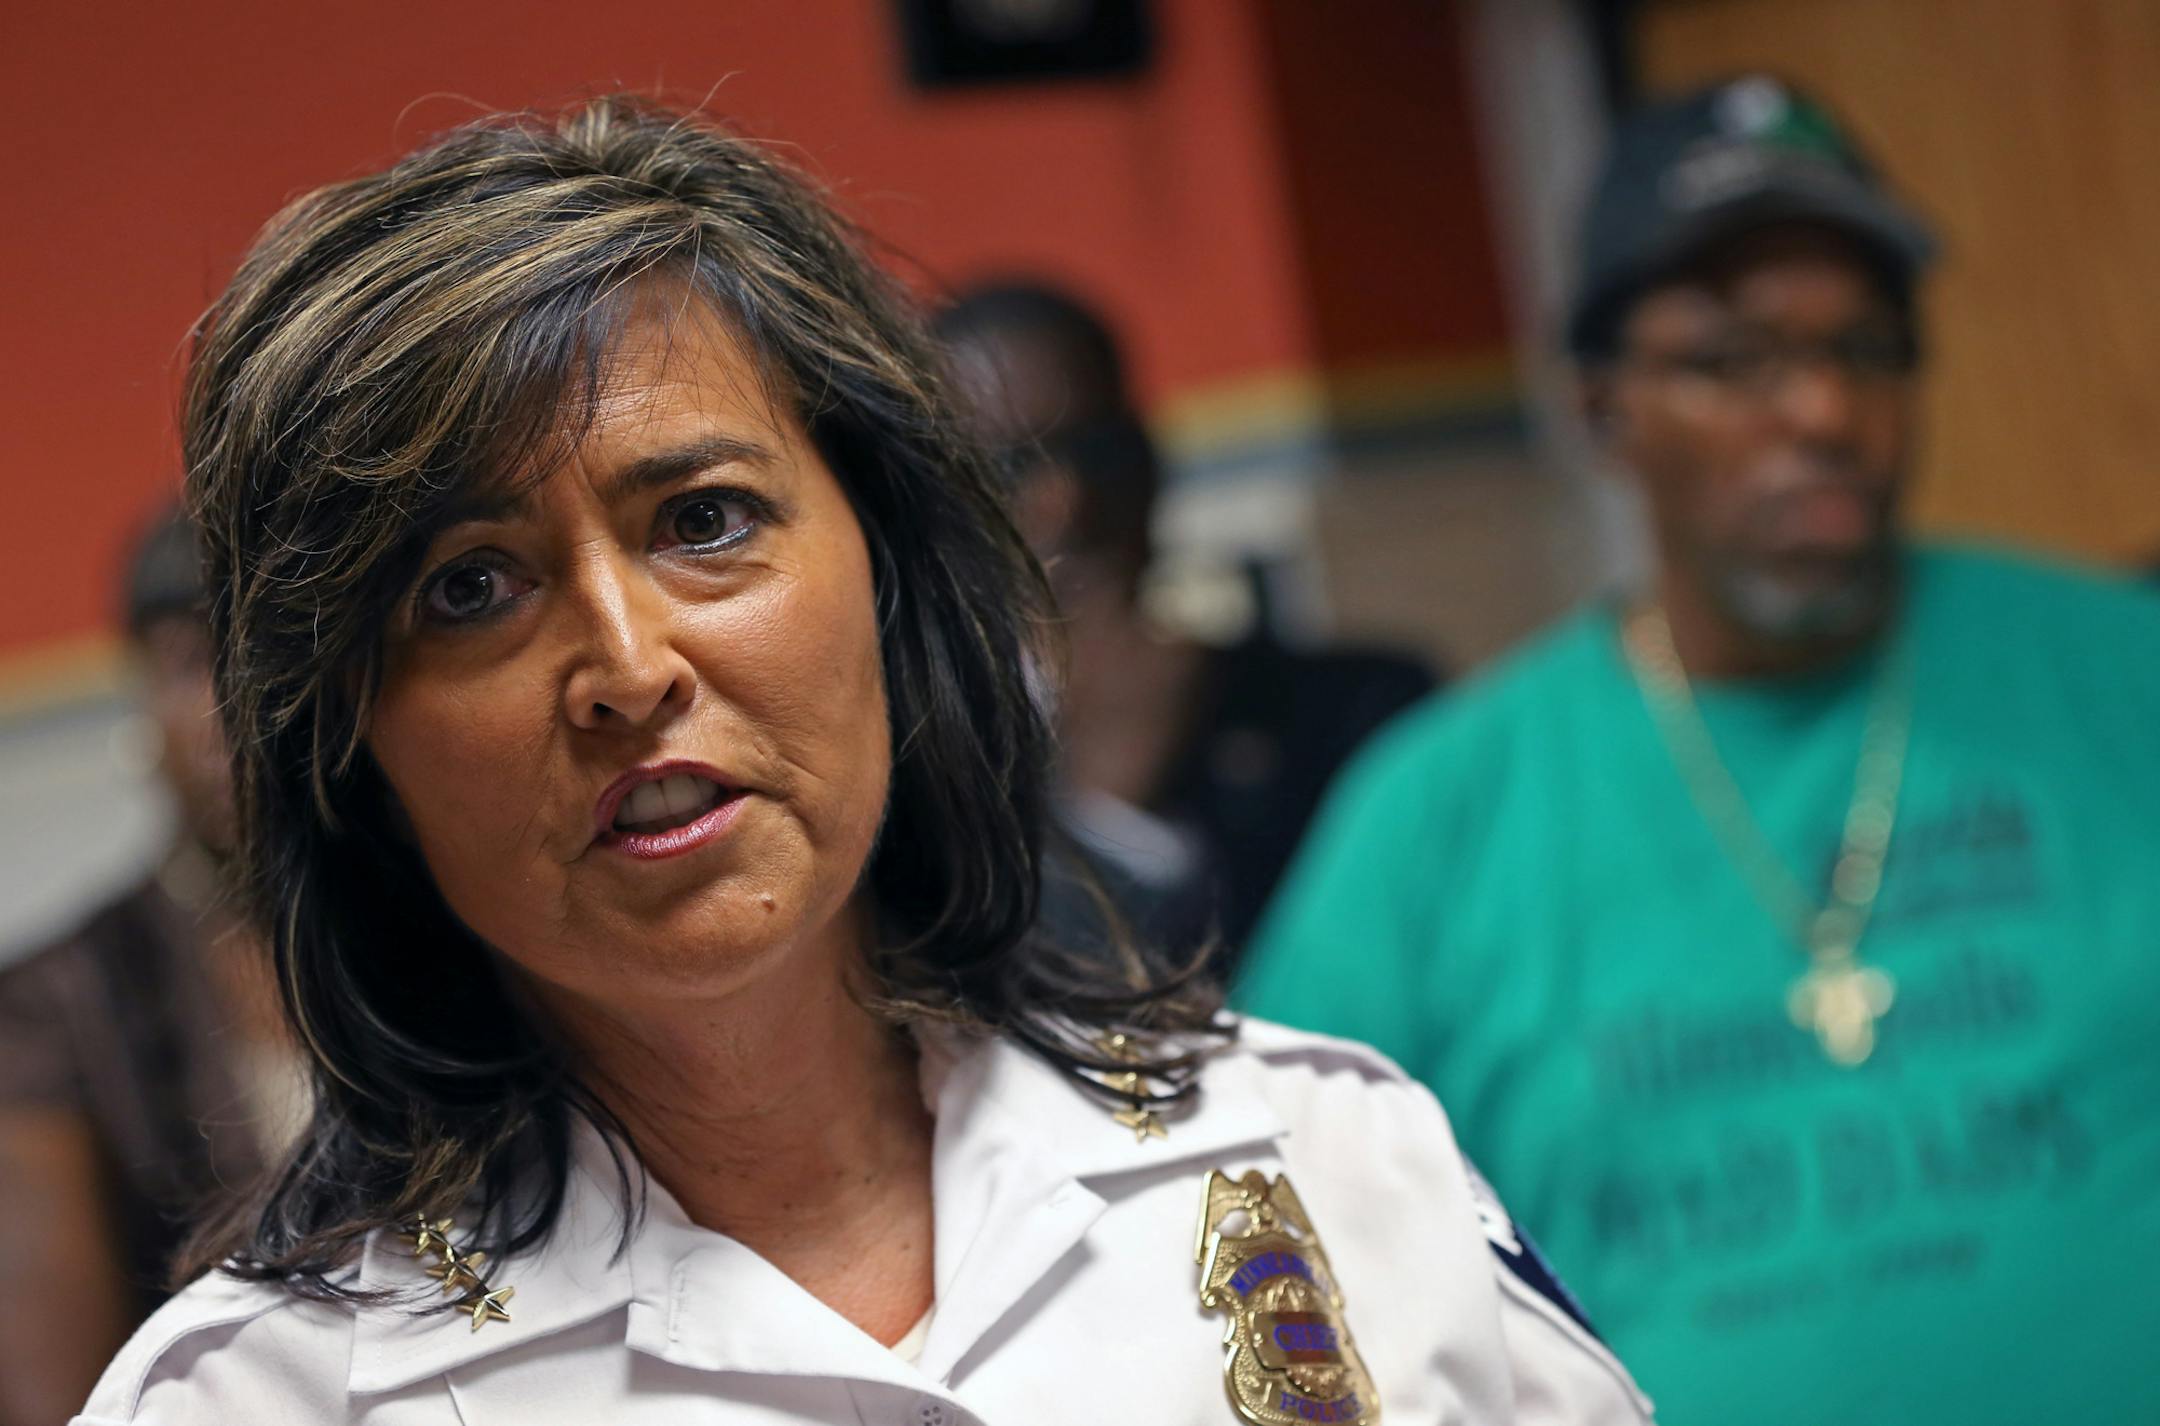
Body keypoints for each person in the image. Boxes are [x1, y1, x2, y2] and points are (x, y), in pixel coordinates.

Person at [72, 98, 1651, 1425]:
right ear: (356, 744)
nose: (627, 668)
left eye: (704, 519)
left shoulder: (1327, 1155)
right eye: (469, 587)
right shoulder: (263, 1397)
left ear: (888, 577)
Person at [1240, 75, 2160, 1426]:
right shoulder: (1438, 809)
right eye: (1736, 361)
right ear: (1605, 408)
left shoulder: (2120, 670)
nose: (1824, 413)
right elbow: (1271, 1228)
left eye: (1866, 348)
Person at [935, 283, 1437, 961]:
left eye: (1099, 451)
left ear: (1151, 460)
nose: (1070, 504)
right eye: (1011, 468)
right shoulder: (910, 776)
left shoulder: (1362, 715)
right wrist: (1108, 810)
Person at [0, 507, 299, 1426]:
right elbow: (53, 1394)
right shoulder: (57, 1002)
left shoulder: (454, 926)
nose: (234, 714)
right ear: (142, 701)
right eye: (191, 665)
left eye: (274, 660)